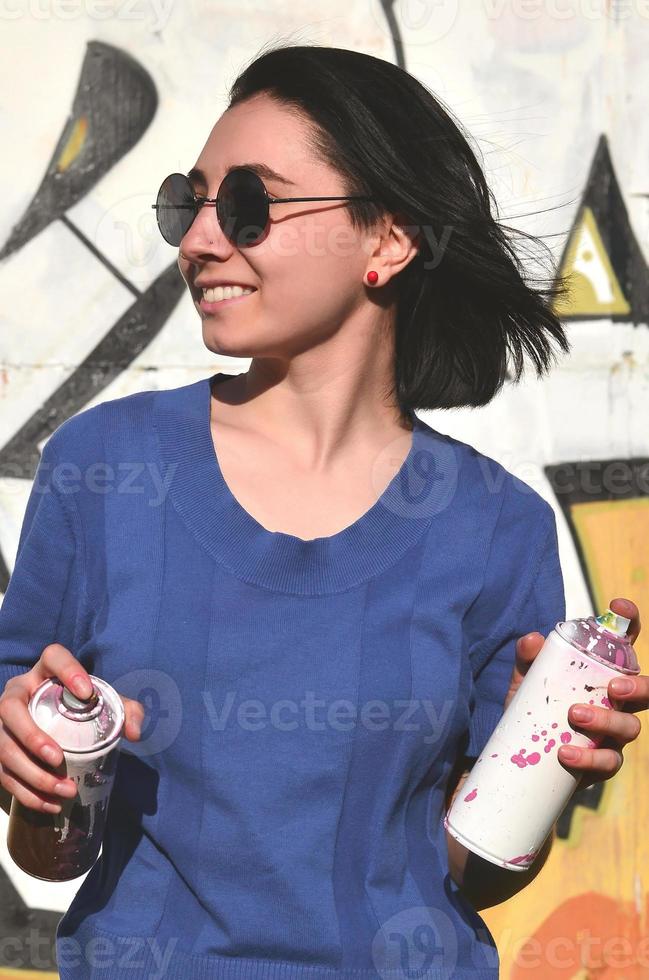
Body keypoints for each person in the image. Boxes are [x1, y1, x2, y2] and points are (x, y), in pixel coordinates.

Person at [0, 42, 646, 980]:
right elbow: (49, 855)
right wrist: (42, 787)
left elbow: (462, 877)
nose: (199, 240)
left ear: (387, 239)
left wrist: (542, 770)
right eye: (191, 201)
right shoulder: (106, 470)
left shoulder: (494, 525)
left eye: (250, 205)